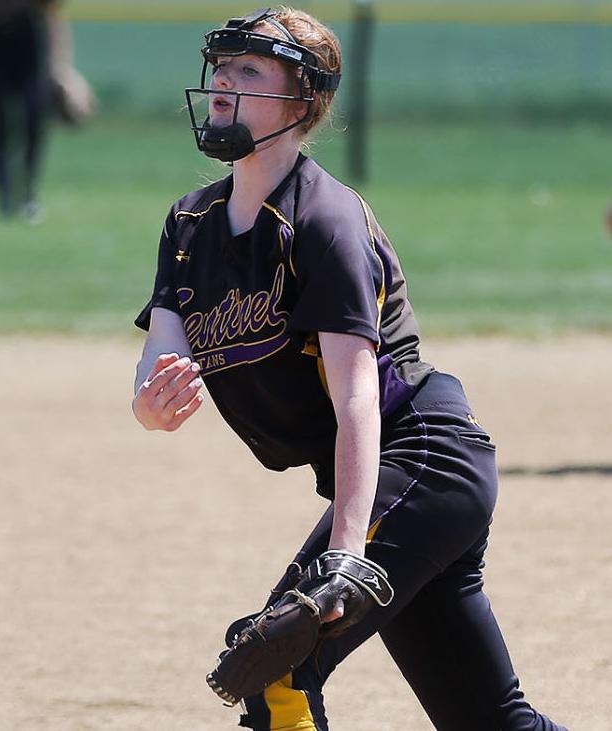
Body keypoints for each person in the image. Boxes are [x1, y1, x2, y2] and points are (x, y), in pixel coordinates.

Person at [131, 7, 567, 731]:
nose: (221, 85)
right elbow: (159, 359)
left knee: (276, 663)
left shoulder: (322, 220)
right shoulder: (190, 225)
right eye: (220, 68)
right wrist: (149, 404)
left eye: (247, 72)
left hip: (424, 458)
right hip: (394, 483)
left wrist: (343, 558)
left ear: (300, 103)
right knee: (493, 723)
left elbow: (359, 396)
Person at [0, 0, 94, 223]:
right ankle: (4, 197)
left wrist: (63, 70)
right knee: (0, 130)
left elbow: (54, 16)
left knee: (34, 125)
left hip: (30, 47)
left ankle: (28, 195)